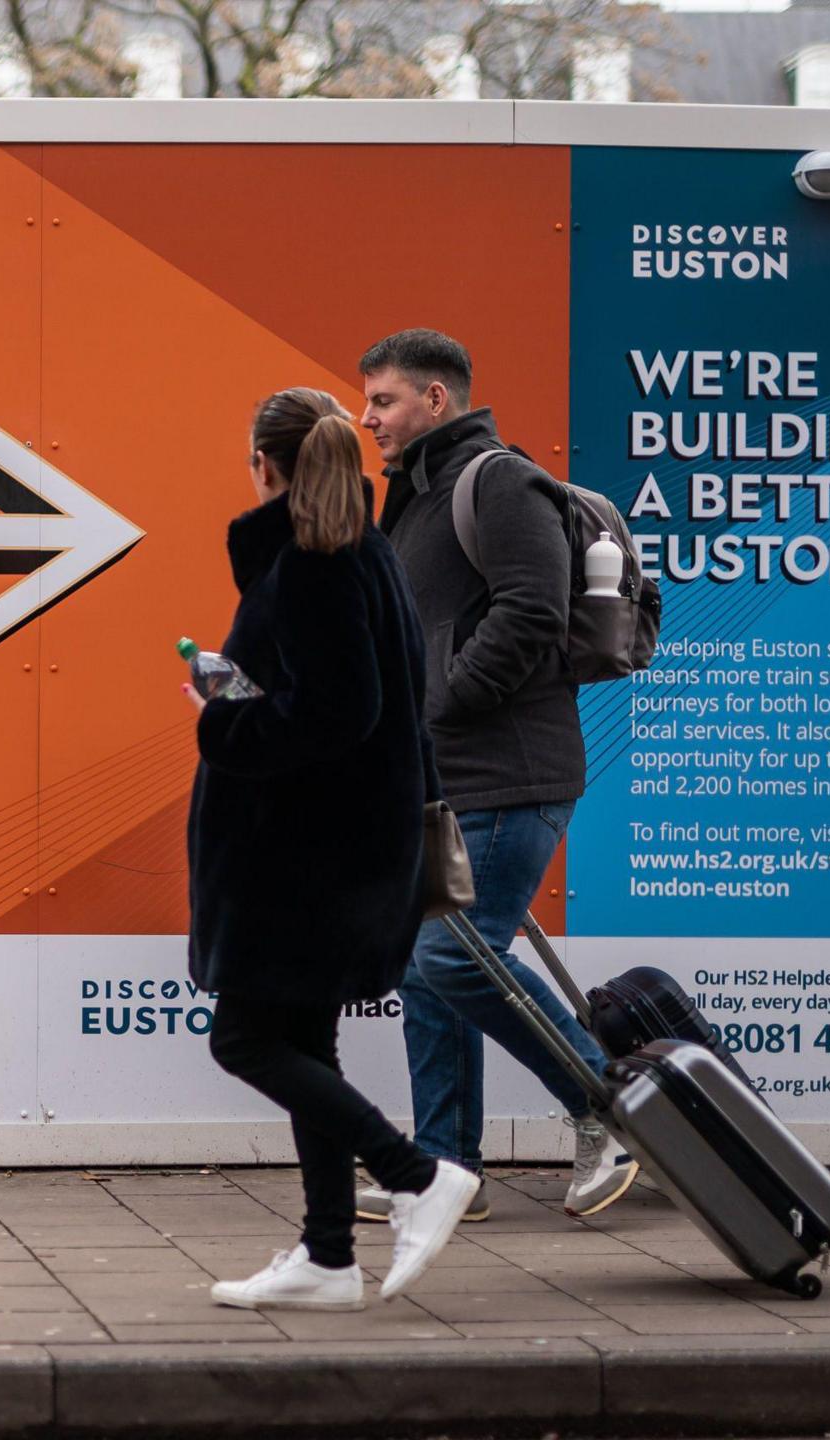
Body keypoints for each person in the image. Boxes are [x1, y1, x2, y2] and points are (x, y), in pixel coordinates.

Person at [188, 387, 479, 1311]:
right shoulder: (365, 552)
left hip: (303, 859)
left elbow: (336, 713)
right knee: (305, 1040)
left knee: (244, 1038)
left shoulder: (312, 567)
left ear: (264, 467)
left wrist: (223, 722)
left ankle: (417, 1175)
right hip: (341, 850)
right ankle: (326, 1258)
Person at [354, 329, 637, 1224]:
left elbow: (532, 612)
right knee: (424, 969)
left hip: (515, 775)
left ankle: (609, 1109)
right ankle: (445, 1171)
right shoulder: (408, 502)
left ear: (437, 400)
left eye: (384, 401)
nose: (368, 419)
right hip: (443, 784)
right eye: (366, 403)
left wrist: (442, 704)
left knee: (453, 957)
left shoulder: (499, 481)